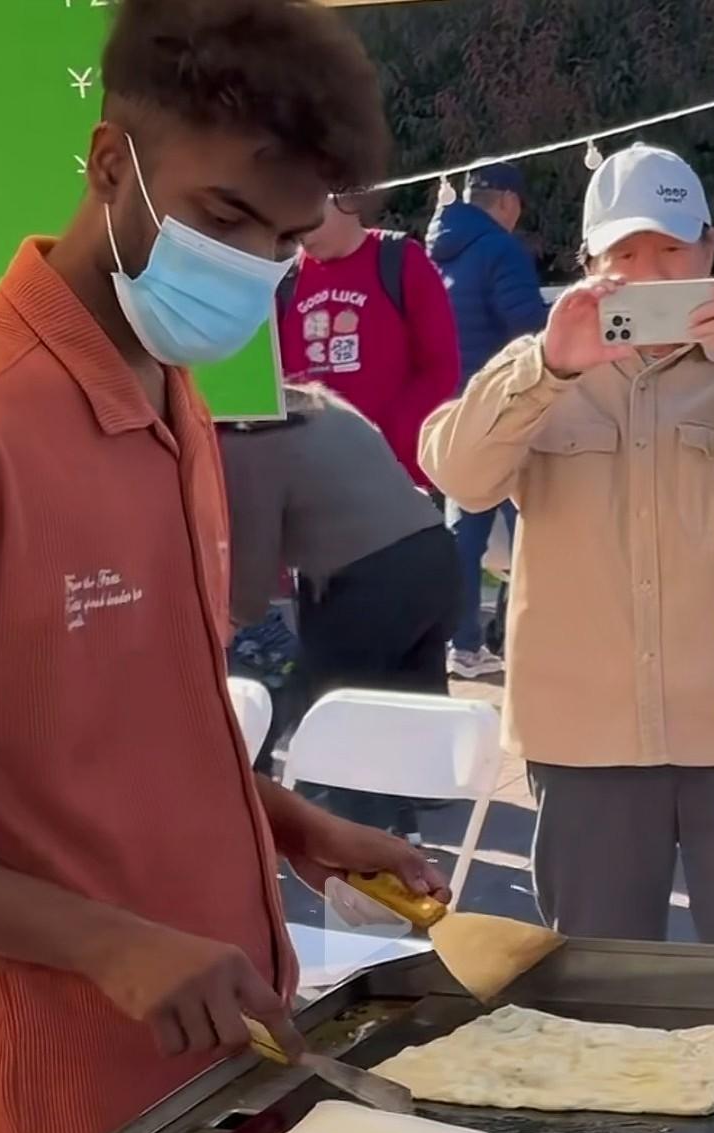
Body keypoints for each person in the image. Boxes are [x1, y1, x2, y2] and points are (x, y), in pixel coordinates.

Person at [0, 0, 446, 1133]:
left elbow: (108, 730)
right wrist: (114, 945)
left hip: (232, 1077)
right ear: (107, 164)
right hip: (67, 1128)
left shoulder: (171, 386)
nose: (252, 269)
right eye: (225, 219)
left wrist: (290, 823)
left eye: (288, 239)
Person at [422, 141, 714, 949]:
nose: (648, 273)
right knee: (600, 985)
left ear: (708, 249)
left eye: (670, 249)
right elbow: (459, 476)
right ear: (588, 265)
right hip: (583, 740)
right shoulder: (537, 369)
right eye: (624, 253)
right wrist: (548, 366)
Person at [220, 382, 462, 837]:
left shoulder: (243, 436)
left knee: (342, 727)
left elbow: (249, 568)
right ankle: (401, 834)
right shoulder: (319, 403)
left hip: (365, 579)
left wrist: (229, 624)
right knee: (391, 713)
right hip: (434, 556)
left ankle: (364, 859)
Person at [428, 165, 546, 678]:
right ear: (509, 203)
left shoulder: (434, 252)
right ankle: (531, 637)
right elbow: (527, 326)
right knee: (538, 526)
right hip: (508, 403)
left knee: (463, 531)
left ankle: (463, 643)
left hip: (452, 403)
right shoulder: (502, 251)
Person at [277, 195, 459, 488]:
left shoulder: (400, 260)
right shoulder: (286, 280)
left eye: (308, 212)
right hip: (311, 480)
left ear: (344, 198)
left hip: (393, 478)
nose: (300, 230)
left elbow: (441, 368)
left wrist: (387, 437)